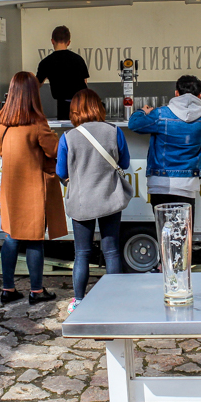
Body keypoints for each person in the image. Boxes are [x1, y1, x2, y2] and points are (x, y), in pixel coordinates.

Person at [0, 71, 68, 306]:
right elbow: (55, 151)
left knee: (11, 236)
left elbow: (1, 151)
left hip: (10, 187)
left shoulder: (0, 121)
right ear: (33, 94)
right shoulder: (37, 124)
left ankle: (8, 289)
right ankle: (36, 291)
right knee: (35, 238)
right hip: (33, 187)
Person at [56, 89, 131, 313]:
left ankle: (79, 300)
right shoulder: (114, 131)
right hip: (110, 196)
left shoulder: (68, 137)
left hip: (82, 201)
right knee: (111, 251)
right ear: (99, 107)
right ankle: (114, 299)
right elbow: (124, 163)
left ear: (74, 110)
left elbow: (61, 170)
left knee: (82, 253)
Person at [128, 75, 201, 218]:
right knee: (184, 234)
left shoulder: (160, 114)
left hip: (160, 182)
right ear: (199, 95)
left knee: (164, 231)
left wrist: (142, 111)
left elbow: (133, 123)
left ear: (176, 93)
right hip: (187, 184)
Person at [36, 25, 90, 120]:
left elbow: (37, 84)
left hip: (62, 106)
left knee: (64, 130)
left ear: (52, 41)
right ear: (68, 42)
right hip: (81, 105)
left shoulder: (46, 62)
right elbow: (85, 82)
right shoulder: (78, 59)